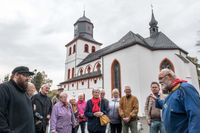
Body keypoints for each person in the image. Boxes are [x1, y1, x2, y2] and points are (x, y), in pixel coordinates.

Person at [156, 68, 200, 133]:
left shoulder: (185, 88)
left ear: (169, 76)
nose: (159, 82)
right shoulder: (172, 92)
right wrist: (157, 99)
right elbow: (167, 106)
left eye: (160, 78)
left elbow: (196, 114)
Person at [0, 66, 35, 133]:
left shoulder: (24, 92)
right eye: (25, 75)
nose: (28, 78)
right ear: (16, 75)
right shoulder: (4, 88)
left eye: (29, 76)